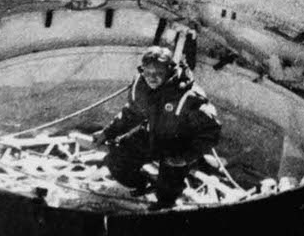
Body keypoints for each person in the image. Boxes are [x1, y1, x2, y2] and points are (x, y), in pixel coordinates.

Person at [94, 44, 221, 206]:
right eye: (148, 73)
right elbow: (132, 113)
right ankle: (144, 184)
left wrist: (186, 158)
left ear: (169, 70)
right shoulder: (141, 85)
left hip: (178, 146)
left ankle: (164, 200)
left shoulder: (188, 96)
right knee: (116, 161)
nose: (152, 78)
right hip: (151, 135)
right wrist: (107, 133)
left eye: (158, 73)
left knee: (167, 192)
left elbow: (211, 131)